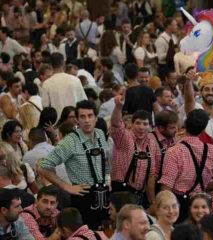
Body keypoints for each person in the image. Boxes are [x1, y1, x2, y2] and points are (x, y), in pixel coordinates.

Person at [38, 100, 109, 230]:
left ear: (96, 118)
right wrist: (66, 187)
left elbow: (105, 160)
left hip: (103, 195)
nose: (87, 120)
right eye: (82, 117)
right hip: (83, 197)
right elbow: (42, 166)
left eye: (90, 116)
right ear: (77, 120)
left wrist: (108, 178)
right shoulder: (70, 141)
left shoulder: (100, 134)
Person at [159, 109, 213, 222]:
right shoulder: (212, 150)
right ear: (203, 129)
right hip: (202, 203)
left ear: (185, 124)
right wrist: (208, 186)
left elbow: (166, 188)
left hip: (179, 204)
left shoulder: (174, 151)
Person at [110, 94, 159, 206]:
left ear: (150, 127)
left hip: (139, 196)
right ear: (131, 124)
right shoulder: (124, 138)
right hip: (121, 193)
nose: (141, 127)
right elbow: (116, 124)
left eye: (145, 124)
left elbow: (151, 175)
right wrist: (118, 107)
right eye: (137, 123)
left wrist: (152, 202)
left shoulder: (152, 144)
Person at [184, 70, 213, 160]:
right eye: (206, 89)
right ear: (201, 93)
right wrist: (188, 81)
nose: (210, 92)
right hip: (199, 165)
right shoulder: (196, 109)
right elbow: (189, 99)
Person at [41, 52, 87, 119]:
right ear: (64, 63)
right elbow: (83, 101)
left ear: (51, 65)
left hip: (57, 124)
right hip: (75, 122)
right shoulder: (75, 80)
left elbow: (45, 107)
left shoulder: (47, 83)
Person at [150, 110, 178, 192]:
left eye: (176, 127)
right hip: (155, 186)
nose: (176, 130)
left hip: (170, 186)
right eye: (172, 128)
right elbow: (150, 175)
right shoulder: (150, 140)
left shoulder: (174, 138)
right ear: (161, 128)